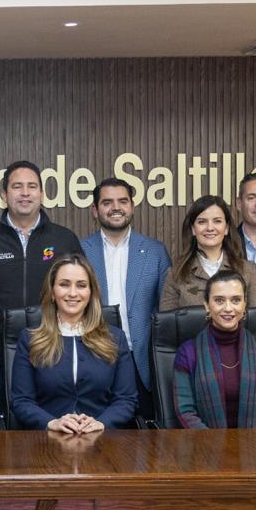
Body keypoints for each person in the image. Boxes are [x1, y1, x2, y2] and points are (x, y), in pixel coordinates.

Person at [0, 160, 83, 424]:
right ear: (4, 194)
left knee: (53, 429)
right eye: (17, 186)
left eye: (32, 186)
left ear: (42, 193)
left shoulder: (65, 240)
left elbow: (83, 297)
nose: (25, 193)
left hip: (54, 358)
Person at [10, 254, 137, 432]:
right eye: (64, 284)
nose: (72, 293)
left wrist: (101, 423)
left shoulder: (115, 338)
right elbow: (21, 401)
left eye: (81, 285)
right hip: (47, 440)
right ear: (52, 292)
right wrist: (52, 423)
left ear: (91, 293)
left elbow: (126, 399)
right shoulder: (30, 339)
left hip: (101, 438)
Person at [80, 177, 170, 416]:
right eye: (107, 202)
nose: (116, 207)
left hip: (141, 362)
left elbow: (165, 310)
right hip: (94, 356)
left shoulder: (155, 251)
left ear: (132, 206)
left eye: (122, 201)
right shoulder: (80, 250)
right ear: (94, 210)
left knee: (144, 433)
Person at [173, 270, 256, 429]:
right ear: (207, 305)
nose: (228, 308)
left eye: (236, 300)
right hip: (205, 442)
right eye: (219, 300)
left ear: (244, 304)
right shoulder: (188, 353)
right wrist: (215, 442)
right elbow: (186, 412)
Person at [160, 195, 256, 310]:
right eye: (202, 222)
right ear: (193, 229)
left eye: (217, 221)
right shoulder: (176, 274)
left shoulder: (248, 271)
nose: (210, 228)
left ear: (226, 228)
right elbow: (168, 319)